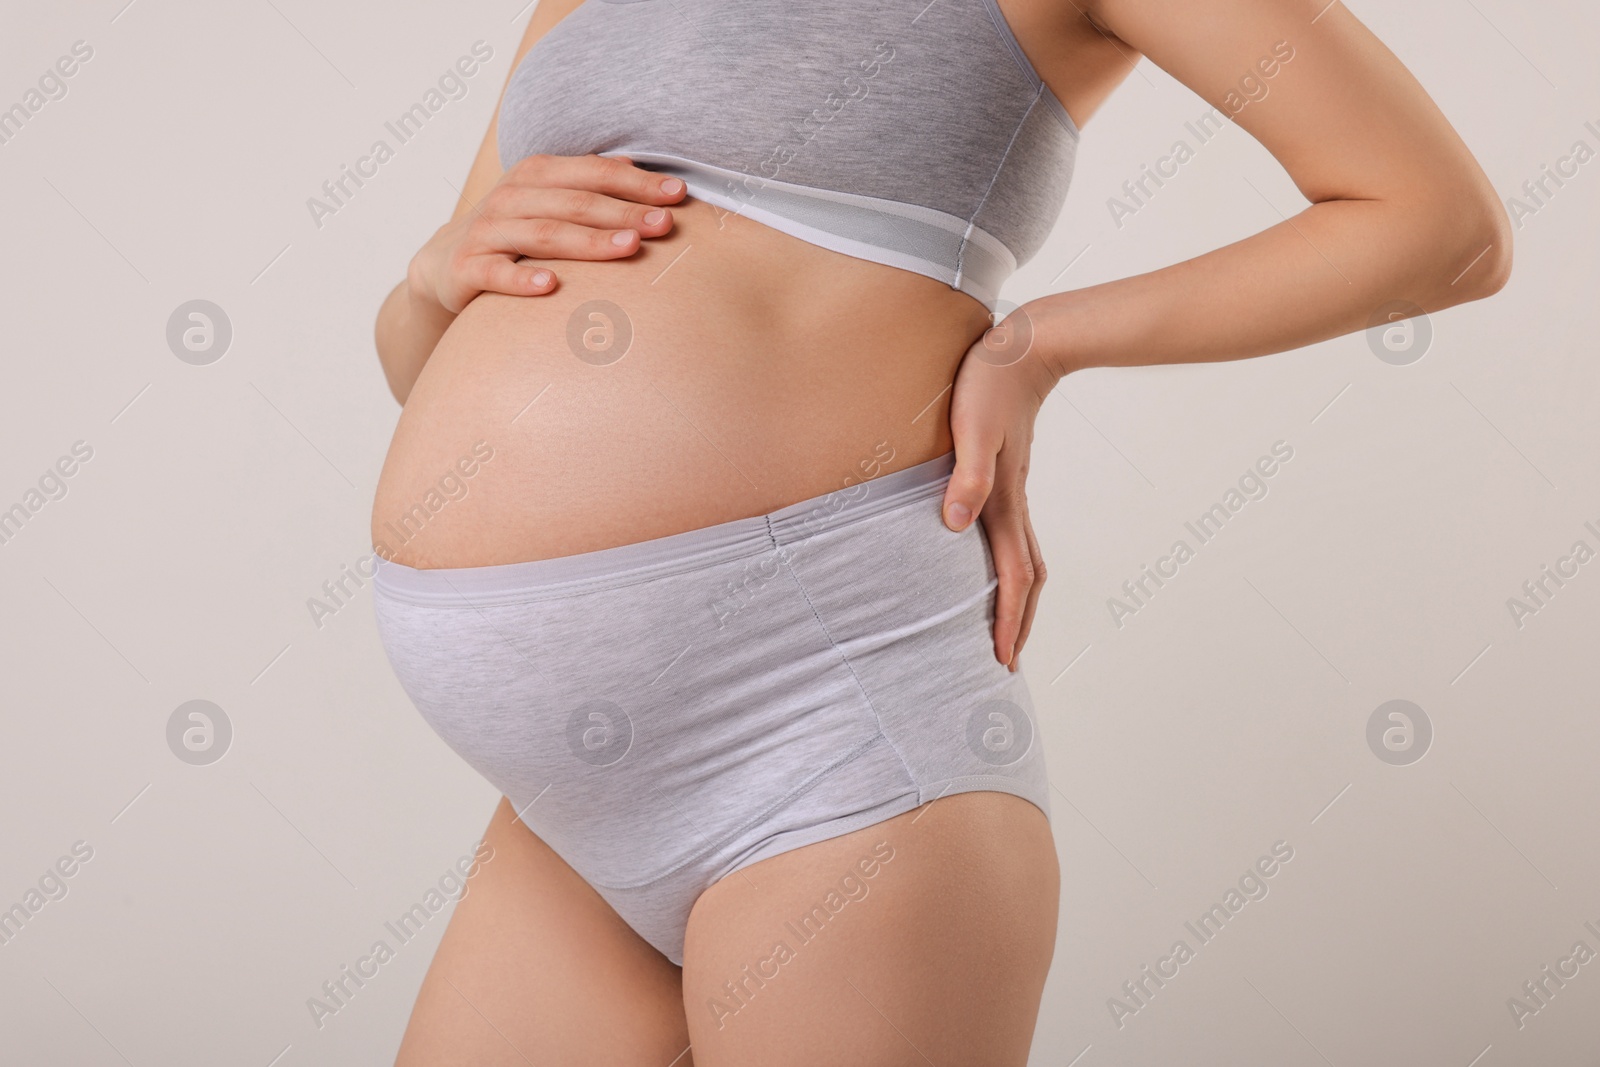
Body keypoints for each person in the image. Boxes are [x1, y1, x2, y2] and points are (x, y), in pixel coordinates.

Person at [368, 0, 1510, 1062]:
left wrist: (1043, 343)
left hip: (823, 735)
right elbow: (439, 363)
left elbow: (1438, 221)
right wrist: (427, 282)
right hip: (575, 796)